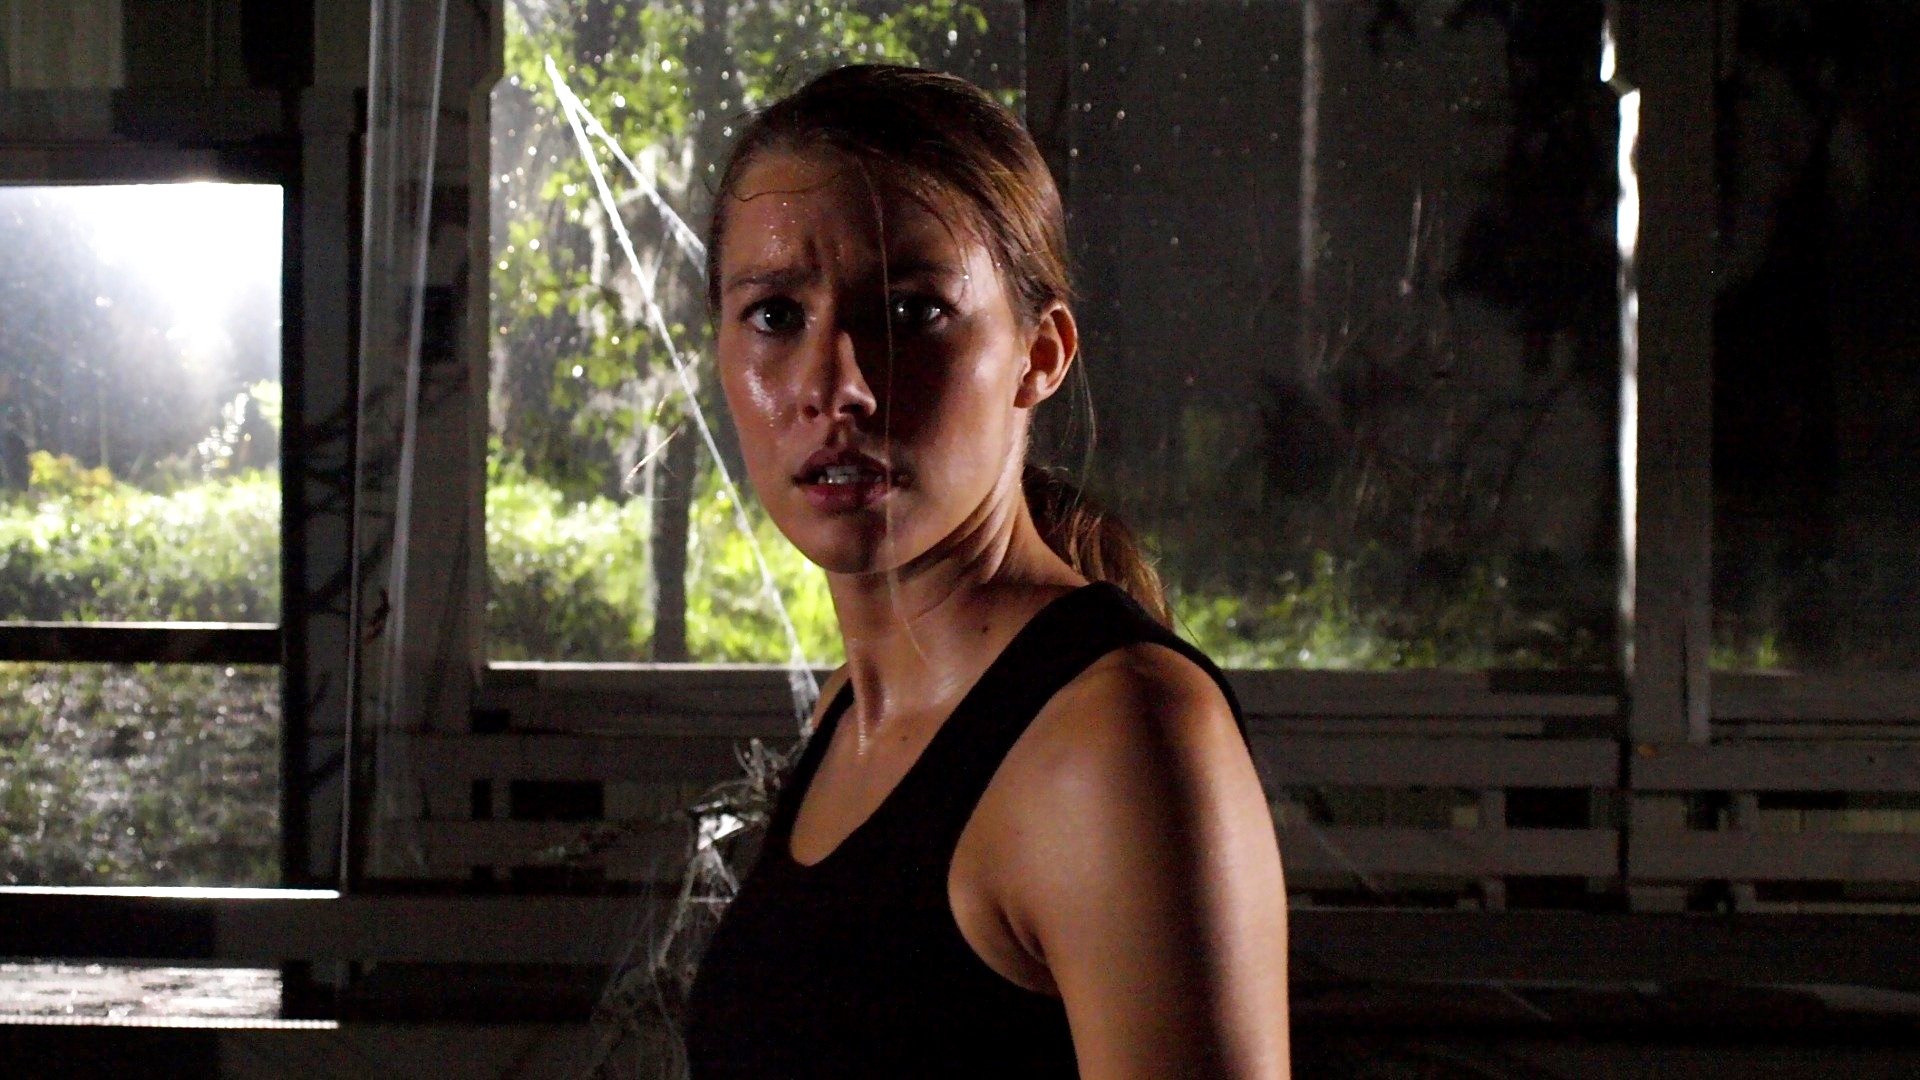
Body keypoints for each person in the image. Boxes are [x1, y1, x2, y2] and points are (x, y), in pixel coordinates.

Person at [681, 64, 1290, 1078]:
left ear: (1039, 355)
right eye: (777, 315)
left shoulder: (1117, 737)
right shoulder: (852, 713)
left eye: (911, 313)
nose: (838, 385)